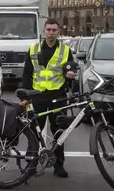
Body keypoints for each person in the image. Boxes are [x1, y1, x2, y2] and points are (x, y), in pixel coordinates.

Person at [20, 18, 77, 178]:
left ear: (59, 31)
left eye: (54, 30)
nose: (51, 33)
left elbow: (69, 71)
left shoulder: (65, 51)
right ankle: (31, 165)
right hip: (37, 97)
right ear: (44, 31)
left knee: (59, 132)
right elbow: (27, 74)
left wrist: (70, 76)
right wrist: (25, 95)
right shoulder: (33, 49)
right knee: (33, 132)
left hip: (57, 97)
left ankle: (59, 166)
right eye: (48, 30)